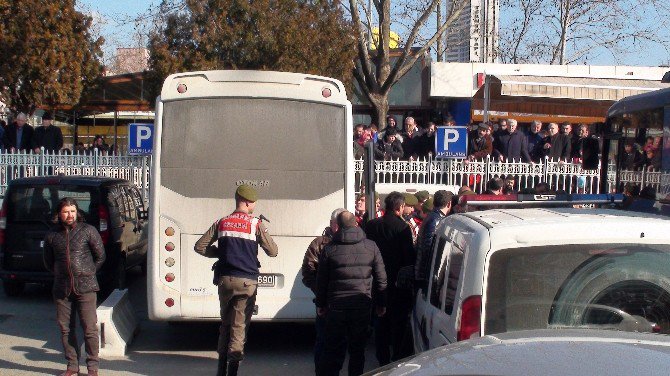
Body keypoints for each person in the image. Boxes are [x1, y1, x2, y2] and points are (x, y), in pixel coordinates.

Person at [193, 185, 279, 376]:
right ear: (247, 202)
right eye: (254, 203)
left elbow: (200, 247)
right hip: (247, 282)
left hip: (225, 280)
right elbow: (273, 251)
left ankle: (220, 370)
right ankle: (233, 370)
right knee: (239, 327)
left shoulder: (221, 222)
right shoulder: (255, 224)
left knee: (225, 324)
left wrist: (221, 254)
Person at [316, 211, 387, 376]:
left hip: (336, 307)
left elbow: (322, 281)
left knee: (333, 349)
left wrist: (321, 304)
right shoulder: (371, 246)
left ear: (337, 226)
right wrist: (381, 304)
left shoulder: (329, 249)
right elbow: (381, 279)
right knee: (357, 350)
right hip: (362, 306)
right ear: (356, 224)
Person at [43, 197, 106, 376]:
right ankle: (72, 366)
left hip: (86, 287)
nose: (69, 215)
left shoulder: (88, 231)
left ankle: (92, 367)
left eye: (72, 211)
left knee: (89, 328)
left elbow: (100, 256)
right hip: (62, 288)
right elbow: (48, 262)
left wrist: (88, 271)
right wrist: (61, 273)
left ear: (77, 212)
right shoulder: (52, 235)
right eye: (65, 211)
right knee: (65, 329)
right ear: (59, 214)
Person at [364, 192, 415, 365]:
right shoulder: (403, 228)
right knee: (398, 323)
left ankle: (382, 358)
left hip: (376, 280)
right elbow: (409, 258)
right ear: (399, 207)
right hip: (397, 283)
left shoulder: (372, 225)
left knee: (380, 322)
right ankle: (396, 359)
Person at [301, 208, 346, 372]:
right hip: (325, 303)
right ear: (332, 224)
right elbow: (308, 272)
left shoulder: (353, 242)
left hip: (344, 303)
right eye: (338, 224)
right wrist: (321, 292)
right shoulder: (319, 243)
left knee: (340, 343)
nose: (341, 227)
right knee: (323, 341)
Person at [414, 190, 453, 290]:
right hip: (426, 274)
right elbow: (428, 248)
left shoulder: (433, 217)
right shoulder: (436, 220)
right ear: (449, 204)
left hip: (424, 272)